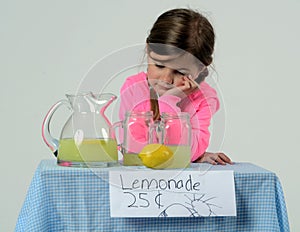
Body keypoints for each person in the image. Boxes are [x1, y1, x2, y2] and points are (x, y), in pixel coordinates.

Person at [119, 8, 232, 165]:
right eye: (159, 65)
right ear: (148, 49)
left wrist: (168, 102)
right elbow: (134, 149)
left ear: (200, 68)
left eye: (180, 72)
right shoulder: (133, 89)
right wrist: (190, 154)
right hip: (140, 184)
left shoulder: (203, 98)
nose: (166, 79)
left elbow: (187, 153)